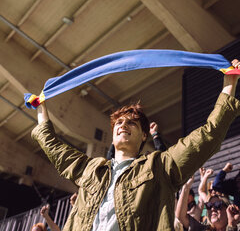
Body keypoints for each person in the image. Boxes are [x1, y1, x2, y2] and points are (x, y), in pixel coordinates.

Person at [31, 59, 240, 230]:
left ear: (143, 137)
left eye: (131, 123)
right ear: (112, 135)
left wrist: (229, 83)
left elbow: (208, 135)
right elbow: (53, 147)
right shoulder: (90, 169)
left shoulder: (160, 166)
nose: (123, 125)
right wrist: (41, 107)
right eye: (119, 123)